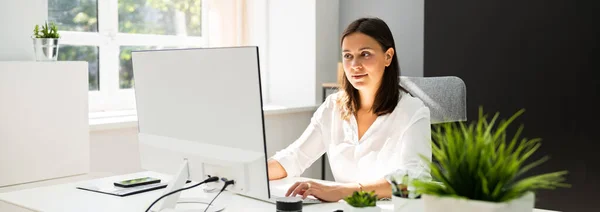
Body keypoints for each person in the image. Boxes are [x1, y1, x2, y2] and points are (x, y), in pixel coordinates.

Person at [267, 17, 432, 202]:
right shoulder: (332, 107)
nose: (354, 65)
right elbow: (295, 157)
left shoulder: (412, 111)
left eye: (365, 54)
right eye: (348, 56)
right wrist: (248, 172)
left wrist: (341, 191)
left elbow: (415, 180)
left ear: (388, 56)